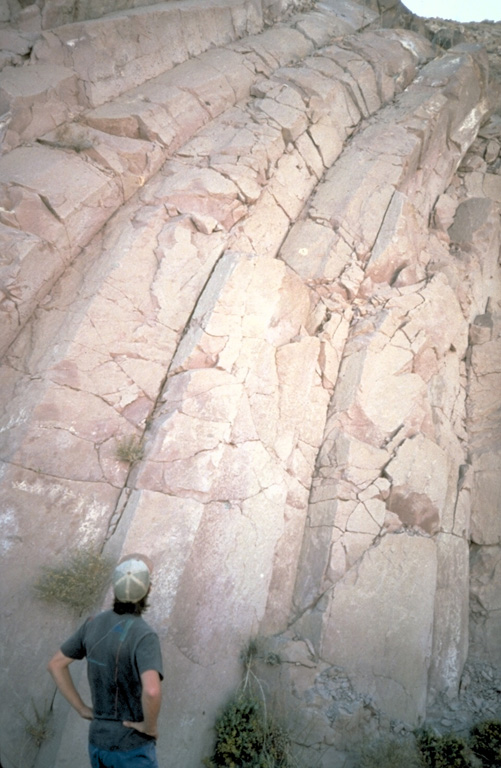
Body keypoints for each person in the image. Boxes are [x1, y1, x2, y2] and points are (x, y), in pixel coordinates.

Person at [48, 553, 163, 768]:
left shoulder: (92, 624)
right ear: (148, 589)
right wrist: (150, 728)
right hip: (131, 748)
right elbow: (152, 690)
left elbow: (56, 664)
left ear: (115, 586)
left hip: (97, 744)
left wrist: (82, 709)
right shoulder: (144, 635)